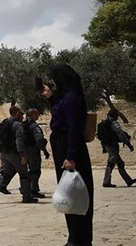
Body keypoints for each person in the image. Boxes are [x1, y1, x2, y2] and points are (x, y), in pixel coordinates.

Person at [40, 64, 94, 246]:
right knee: (68, 191)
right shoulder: (66, 97)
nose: (53, 82)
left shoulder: (71, 99)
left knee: (74, 191)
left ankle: (80, 239)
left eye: (54, 78)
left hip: (68, 145)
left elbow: (73, 128)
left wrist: (71, 156)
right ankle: (75, 237)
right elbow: (60, 111)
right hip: (62, 144)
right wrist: (50, 97)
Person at [0, 106, 36, 204]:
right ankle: (26, 196)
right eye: (21, 114)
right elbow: (19, 140)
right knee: (24, 174)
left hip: (3, 152)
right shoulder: (17, 125)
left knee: (4, 173)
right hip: (14, 153)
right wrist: (23, 155)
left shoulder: (4, 123)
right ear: (17, 113)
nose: (22, 117)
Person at [100, 109, 135, 187]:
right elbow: (121, 134)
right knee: (111, 162)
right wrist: (129, 145)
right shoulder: (113, 123)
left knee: (120, 163)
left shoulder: (106, 123)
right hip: (112, 145)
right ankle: (106, 182)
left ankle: (128, 180)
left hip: (108, 145)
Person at [25, 109, 47, 198]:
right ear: (33, 114)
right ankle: (33, 189)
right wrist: (45, 151)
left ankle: (26, 186)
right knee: (35, 170)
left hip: (25, 151)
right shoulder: (34, 126)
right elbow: (39, 139)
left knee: (30, 170)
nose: (38, 115)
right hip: (33, 151)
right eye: (37, 114)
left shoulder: (24, 124)